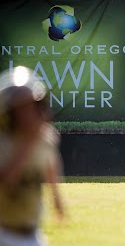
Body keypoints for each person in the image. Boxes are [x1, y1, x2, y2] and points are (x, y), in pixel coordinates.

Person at [0, 66, 65, 246]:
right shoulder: (3, 143)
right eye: (21, 108)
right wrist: (28, 142)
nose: (29, 114)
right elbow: (7, 180)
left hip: (33, 235)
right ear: (8, 112)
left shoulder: (44, 138)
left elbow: (50, 162)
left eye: (33, 106)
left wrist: (56, 197)